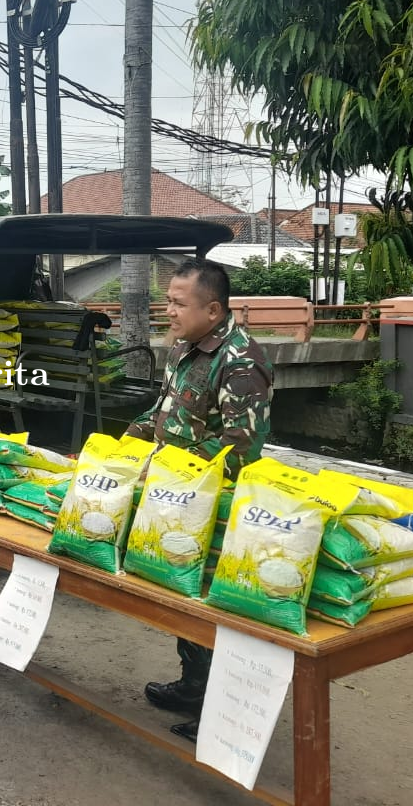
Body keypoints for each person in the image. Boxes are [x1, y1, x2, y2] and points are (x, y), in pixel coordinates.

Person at [124, 257, 273, 743]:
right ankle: (194, 685)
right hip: (176, 498)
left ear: (213, 309)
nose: (168, 310)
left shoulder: (241, 360)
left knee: (211, 606)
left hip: (215, 504)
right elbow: (163, 411)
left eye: (178, 303)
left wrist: (173, 468)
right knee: (182, 594)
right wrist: (125, 444)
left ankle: (225, 712)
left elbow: (239, 446)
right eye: (167, 301)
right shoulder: (185, 348)